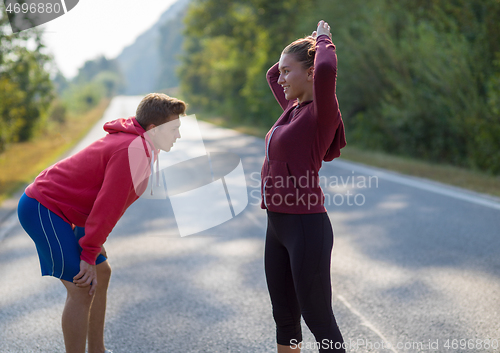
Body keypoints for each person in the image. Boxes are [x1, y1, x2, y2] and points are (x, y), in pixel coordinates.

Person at [17, 93, 185, 353]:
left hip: (63, 210)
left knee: (102, 273)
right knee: (82, 288)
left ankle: (98, 349)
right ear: (154, 129)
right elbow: (108, 206)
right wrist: (89, 250)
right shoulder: (134, 151)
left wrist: (91, 244)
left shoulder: (142, 146)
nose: (178, 135)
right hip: (43, 208)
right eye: (174, 129)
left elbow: (95, 199)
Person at [260, 21, 347, 353]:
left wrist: (323, 39)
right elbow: (271, 75)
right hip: (277, 225)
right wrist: (302, 45)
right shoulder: (293, 110)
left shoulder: (321, 114)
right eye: (281, 72)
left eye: (288, 72)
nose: (280, 79)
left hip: (306, 226)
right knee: (284, 317)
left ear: (311, 74)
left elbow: (326, 67)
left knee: (319, 320)